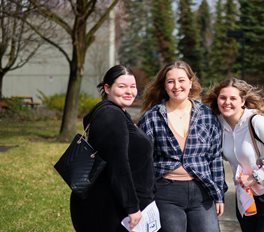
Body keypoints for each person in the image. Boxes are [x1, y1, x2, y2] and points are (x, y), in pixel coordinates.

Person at [137, 60, 226, 232]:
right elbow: (143, 161)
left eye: (181, 80)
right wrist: (143, 198)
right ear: (164, 86)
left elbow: (215, 157)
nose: (176, 86)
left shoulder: (207, 116)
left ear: (191, 82)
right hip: (166, 193)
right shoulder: (152, 117)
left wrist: (219, 195)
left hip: (202, 191)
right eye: (170, 81)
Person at [70, 65, 155, 232]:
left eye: (132, 86)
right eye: (122, 86)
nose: (129, 91)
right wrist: (132, 206)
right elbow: (118, 165)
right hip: (110, 209)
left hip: (113, 204)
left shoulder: (116, 113)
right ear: (107, 88)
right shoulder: (111, 116)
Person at [204, 78, 264, 232]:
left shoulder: (255, 122)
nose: (227, 102)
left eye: (233, 98)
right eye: (223, 97)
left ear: (242, 101)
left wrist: (255, 177)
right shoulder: (218, 125)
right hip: (245, 195)